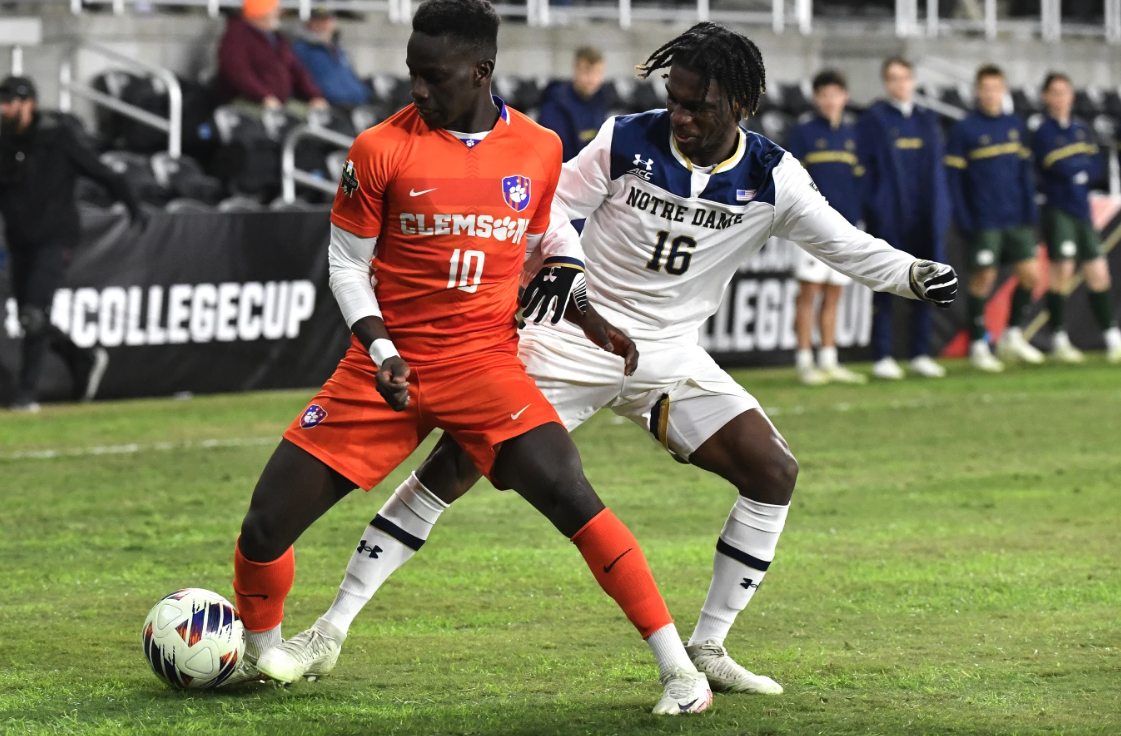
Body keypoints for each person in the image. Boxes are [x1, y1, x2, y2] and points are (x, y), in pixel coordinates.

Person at [269, 22, 958, 699]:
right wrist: (561, 271)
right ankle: (328, 630)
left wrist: (911, 275)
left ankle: (709, 647)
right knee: (450, 468)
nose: (680, 115)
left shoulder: (772, 177)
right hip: (569, 342)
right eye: (674, 97)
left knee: (772, 471)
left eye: (698, 105)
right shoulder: (626, 141)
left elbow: (842, 243)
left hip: (668, 357)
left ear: (739, 105)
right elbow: (548, 205)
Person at [223, 0, 716, 716]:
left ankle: (679, 672)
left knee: (572, 495)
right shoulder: (378, 148)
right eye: (411, 74)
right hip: (382, 370)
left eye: (434, 76)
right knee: (265, 525)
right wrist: (381, 346)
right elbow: (345, 265)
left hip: (485, 367)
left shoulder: (539, 147)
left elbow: (549, 232)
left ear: (482, 71)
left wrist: (584, 305)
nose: (417, 90)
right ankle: (262, 654)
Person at [0, 76, 141, 412]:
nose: (3, 108)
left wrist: (131, 202)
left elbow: (100, 171)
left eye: (9, 102)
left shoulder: (56, 137)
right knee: (26, 316)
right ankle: (82, 357)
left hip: (54, 236)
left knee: (35, 315)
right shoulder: (3, 143)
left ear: (28, 104)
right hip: (19, 239)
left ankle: (26, 394)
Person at [858, 57, 952, 380]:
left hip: (924, 216)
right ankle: (883, 355)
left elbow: (938, 171)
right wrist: (877, 208)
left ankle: (920, 353)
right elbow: (866, 170)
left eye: (905, 78)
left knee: (927, 281)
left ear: (913, 80)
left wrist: (939, 212)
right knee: (886, 282)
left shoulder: (928, 119)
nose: (900, 84)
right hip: (891, 217)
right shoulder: (875, 119)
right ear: (886, 83)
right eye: (894, 79)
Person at [945, 64, 1043, 372]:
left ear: (1003, 91)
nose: (990, 94)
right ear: (977, 92)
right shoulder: (964, 130)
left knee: (1031, 275)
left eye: (996, 88)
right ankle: (978, 344)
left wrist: (1030, 210)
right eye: (985, 89)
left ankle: (1012, 335)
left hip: (1016, 217)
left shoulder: (1016, 126)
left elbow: (1025, 174)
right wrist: (964, 218)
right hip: (984, 219)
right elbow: (954, 181)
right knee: (983, 279)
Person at [785, 69, 867, 385]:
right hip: (810, 228)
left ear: (844, 97)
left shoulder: (852, 135)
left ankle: (829, 358)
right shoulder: (803, 134)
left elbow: (857, 182)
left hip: (844, 229)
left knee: (834, 294)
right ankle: (804, 360)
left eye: (835, 94)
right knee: (809, 293)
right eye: (824, 95)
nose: (830, 101)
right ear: (816, 99)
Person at [1033, 71, 1121, 363]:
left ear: (1072, 96)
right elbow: (1055, 167)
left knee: (1099, 273)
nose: (1060, 98)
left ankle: (1111, 336)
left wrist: (1077, 169)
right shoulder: (1042, 131)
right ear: (1046, 97)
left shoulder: (1082, 129)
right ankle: (1058, 337)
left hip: (1082, 211)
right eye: (1055, 92)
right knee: (1062, 273)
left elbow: (1096, 166)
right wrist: (1077, 169)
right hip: (1058, 210)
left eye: (1065, 92)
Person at [213, 0, 329, 112]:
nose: (278, 12)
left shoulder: (275, 36)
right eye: (273, 8)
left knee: (313, 120)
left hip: (279, 102)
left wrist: (314, 96)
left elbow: (296, 69)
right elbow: (239, 73)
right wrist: (264, 96)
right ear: (260, 12)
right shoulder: (237, 36)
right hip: (248, 103)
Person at [537, 47, 611, 162]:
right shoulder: (556, 103)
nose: (592, 79)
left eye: (598, 73)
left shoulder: (600, 99)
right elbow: (555, 154)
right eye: (587, 72)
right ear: (576, 70)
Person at [291, 8, 372, 108]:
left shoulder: (338, 50)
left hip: (358, 104)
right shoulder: (301, 49)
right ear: (309, 23)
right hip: (332, 107)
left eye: (327, 20)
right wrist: (314, 97)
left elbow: (351, 78)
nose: (323, 25)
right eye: (318, 20)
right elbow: (299, 79)